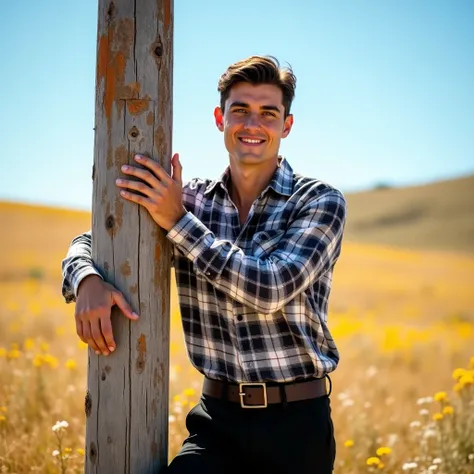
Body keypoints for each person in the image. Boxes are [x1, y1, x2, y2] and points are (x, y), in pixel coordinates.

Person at [61, 55, 347, 474]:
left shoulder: (319, 201)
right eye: (240, 111)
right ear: (220, 118)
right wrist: (86, 278)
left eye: (268, 113)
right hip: (217, 421)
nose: (253, 124)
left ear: (286, 125)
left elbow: (270, 290)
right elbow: (93, 240)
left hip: (297, 423)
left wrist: (177, 221)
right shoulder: (191, 201)